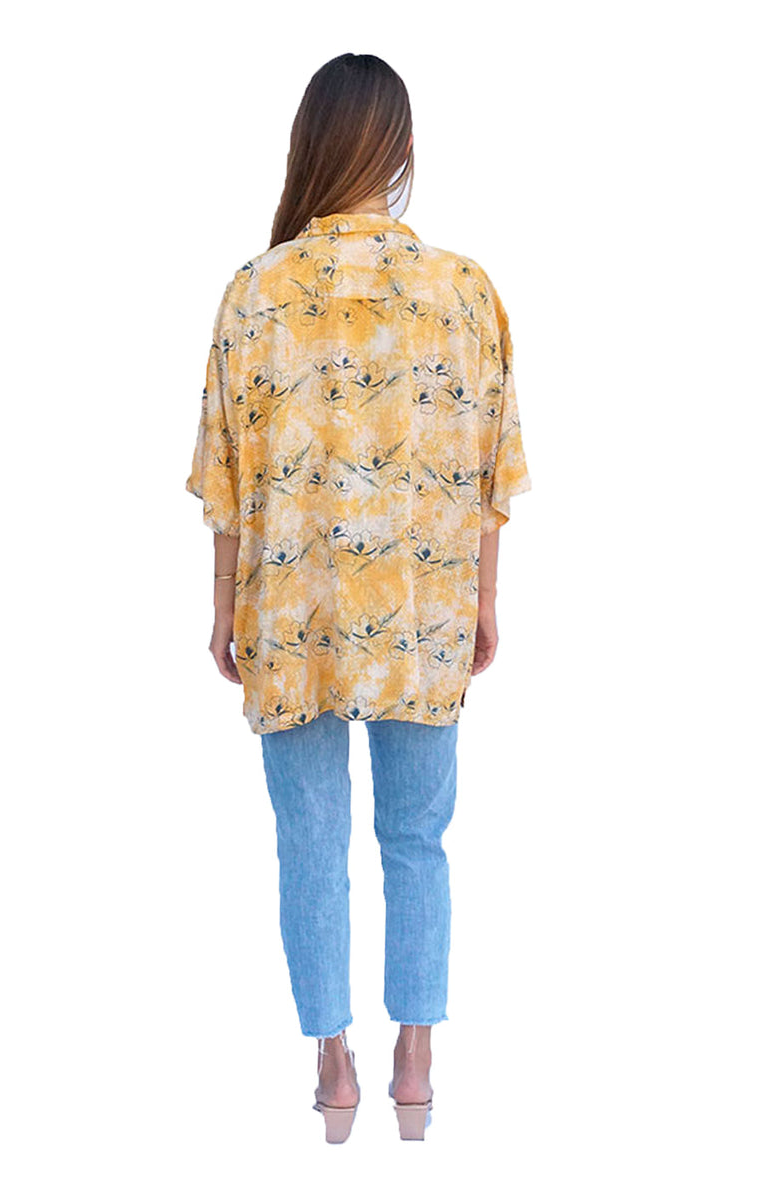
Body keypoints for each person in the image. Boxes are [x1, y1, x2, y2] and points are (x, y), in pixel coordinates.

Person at [185, 52, 531, 1143]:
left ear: (308, 147)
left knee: (310, 841)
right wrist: (484, 597)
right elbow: (491, 465)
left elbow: (225, 476)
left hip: (290, 614)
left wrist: (222, 609)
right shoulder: (463, 291)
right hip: (422, 610)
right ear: (402, 152)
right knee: (417, 837)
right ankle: (413, 1060)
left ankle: (333, 1067)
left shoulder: (254, 293)